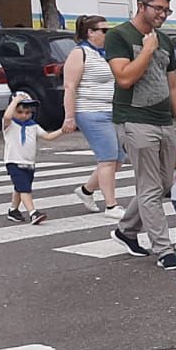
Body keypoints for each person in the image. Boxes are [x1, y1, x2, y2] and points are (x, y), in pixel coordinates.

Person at [107, 0, 176, 271]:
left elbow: (173, 84)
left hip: (164, 121)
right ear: (141, 5)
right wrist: (146, 50)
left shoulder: (164, 41)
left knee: (163, 185)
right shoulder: (119, 36)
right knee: (151, 187)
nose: (163, 15)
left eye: (167, 10)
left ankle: (126, 230)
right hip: (133, 119)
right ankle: (163, 249)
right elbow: (124, 78)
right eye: (158, 9)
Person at [62, 15, 124, 214]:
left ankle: (86, 190)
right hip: (90, 111)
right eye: (104, 30)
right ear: (90, 32)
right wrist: (69, 117)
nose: (108, 34)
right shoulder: (80, 53)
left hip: (112, 110)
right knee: (107, 158)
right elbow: (70, 86)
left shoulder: (106, 53)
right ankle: (111, 205)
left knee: (119, 158)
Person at [1, 91, 62, 224]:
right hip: (14, 161)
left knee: (21, 187)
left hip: (29, 162)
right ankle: (33, 213)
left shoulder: (33, 126)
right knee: (24, 188)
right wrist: (15, 101)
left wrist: (63, 130)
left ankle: (13, 210)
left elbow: (48, 136)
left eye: (28, 112)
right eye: (20, 112)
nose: (24, 115)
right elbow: (7, 115)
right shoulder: (10, 124)